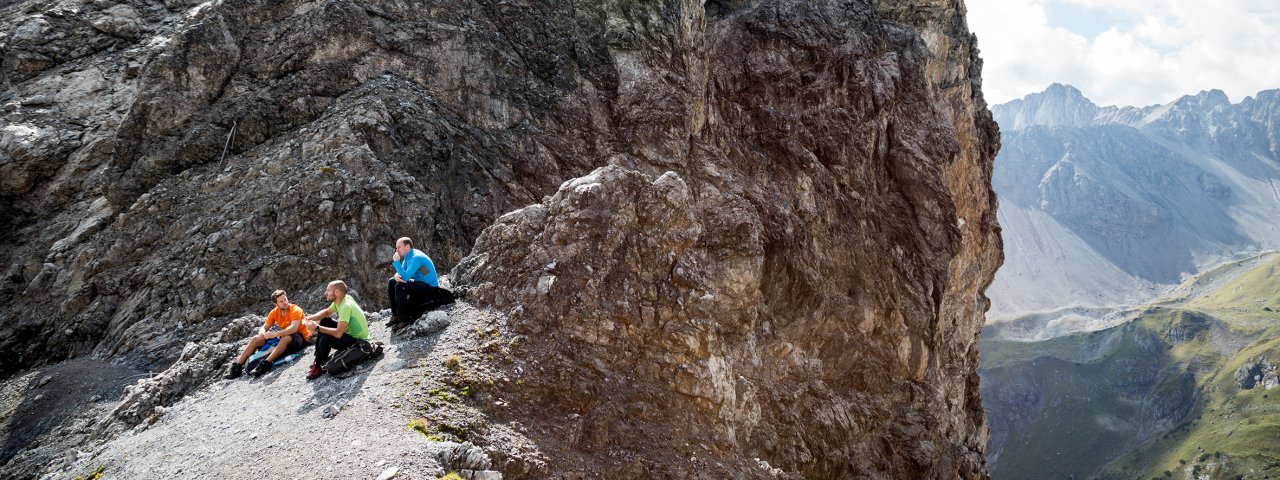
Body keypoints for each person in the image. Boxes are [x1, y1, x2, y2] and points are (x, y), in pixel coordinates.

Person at [226, 289, 312, 379]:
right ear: (276, 304)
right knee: (256, 339)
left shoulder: (296, 310)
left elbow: (293, 328)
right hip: (285, 338)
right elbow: (264, 327)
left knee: (286, 337)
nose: (285, 302)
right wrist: (262, 333)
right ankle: (237, 368)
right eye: (281, 301)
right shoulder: (275, 312)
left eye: (285, 299)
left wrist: (275, 334)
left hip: (301, 338)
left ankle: (266, 364)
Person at [301, 280, 370, 380]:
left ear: (336, 292)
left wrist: (316, 328)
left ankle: (318, 366)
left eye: (328, 290)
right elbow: (326, 312)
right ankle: (318, 361)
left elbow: (338, 334)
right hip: (348, 333)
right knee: (325, 321)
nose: (325, 293)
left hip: (358, 341)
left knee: (325, 338)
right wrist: (311, 318)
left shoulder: (345, 306)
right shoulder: (342, 299)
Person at [386, 237, 454, 332]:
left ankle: (404, 320)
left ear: (407, 246)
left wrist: (396, 262)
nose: (396, 250)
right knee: (392, 282)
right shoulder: (408, 256)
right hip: (419, 283)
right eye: (396, 248)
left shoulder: (416, 257)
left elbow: (404, 277)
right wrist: (396, 274)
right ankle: (396, 315)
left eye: (399, 247)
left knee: (400, 286)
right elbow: (401, 272)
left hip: (429, 287)